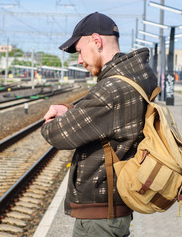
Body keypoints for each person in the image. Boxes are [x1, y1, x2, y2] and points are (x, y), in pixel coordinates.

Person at [41, 12, 158, 237]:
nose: (79, 60)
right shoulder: (133, 78)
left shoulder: (112, 89)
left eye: (79, 50)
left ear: (96, 41)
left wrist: (51, 119)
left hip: (101, 216)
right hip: (113, 209)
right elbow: (109, 120)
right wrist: (72, 111)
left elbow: (58, 135)